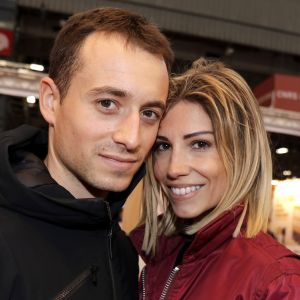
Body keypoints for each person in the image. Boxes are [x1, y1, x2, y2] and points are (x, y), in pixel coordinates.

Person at [0, 7, 173, 300]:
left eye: (149, 113)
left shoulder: (122, 252)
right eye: (107, 103)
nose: (131, 138)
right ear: (51, 101)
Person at [131, 58, 300, 299]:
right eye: (163, 146)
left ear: (241, 154)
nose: (174, 168)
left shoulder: (278, 282)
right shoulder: (143, 253)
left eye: (200, 144)